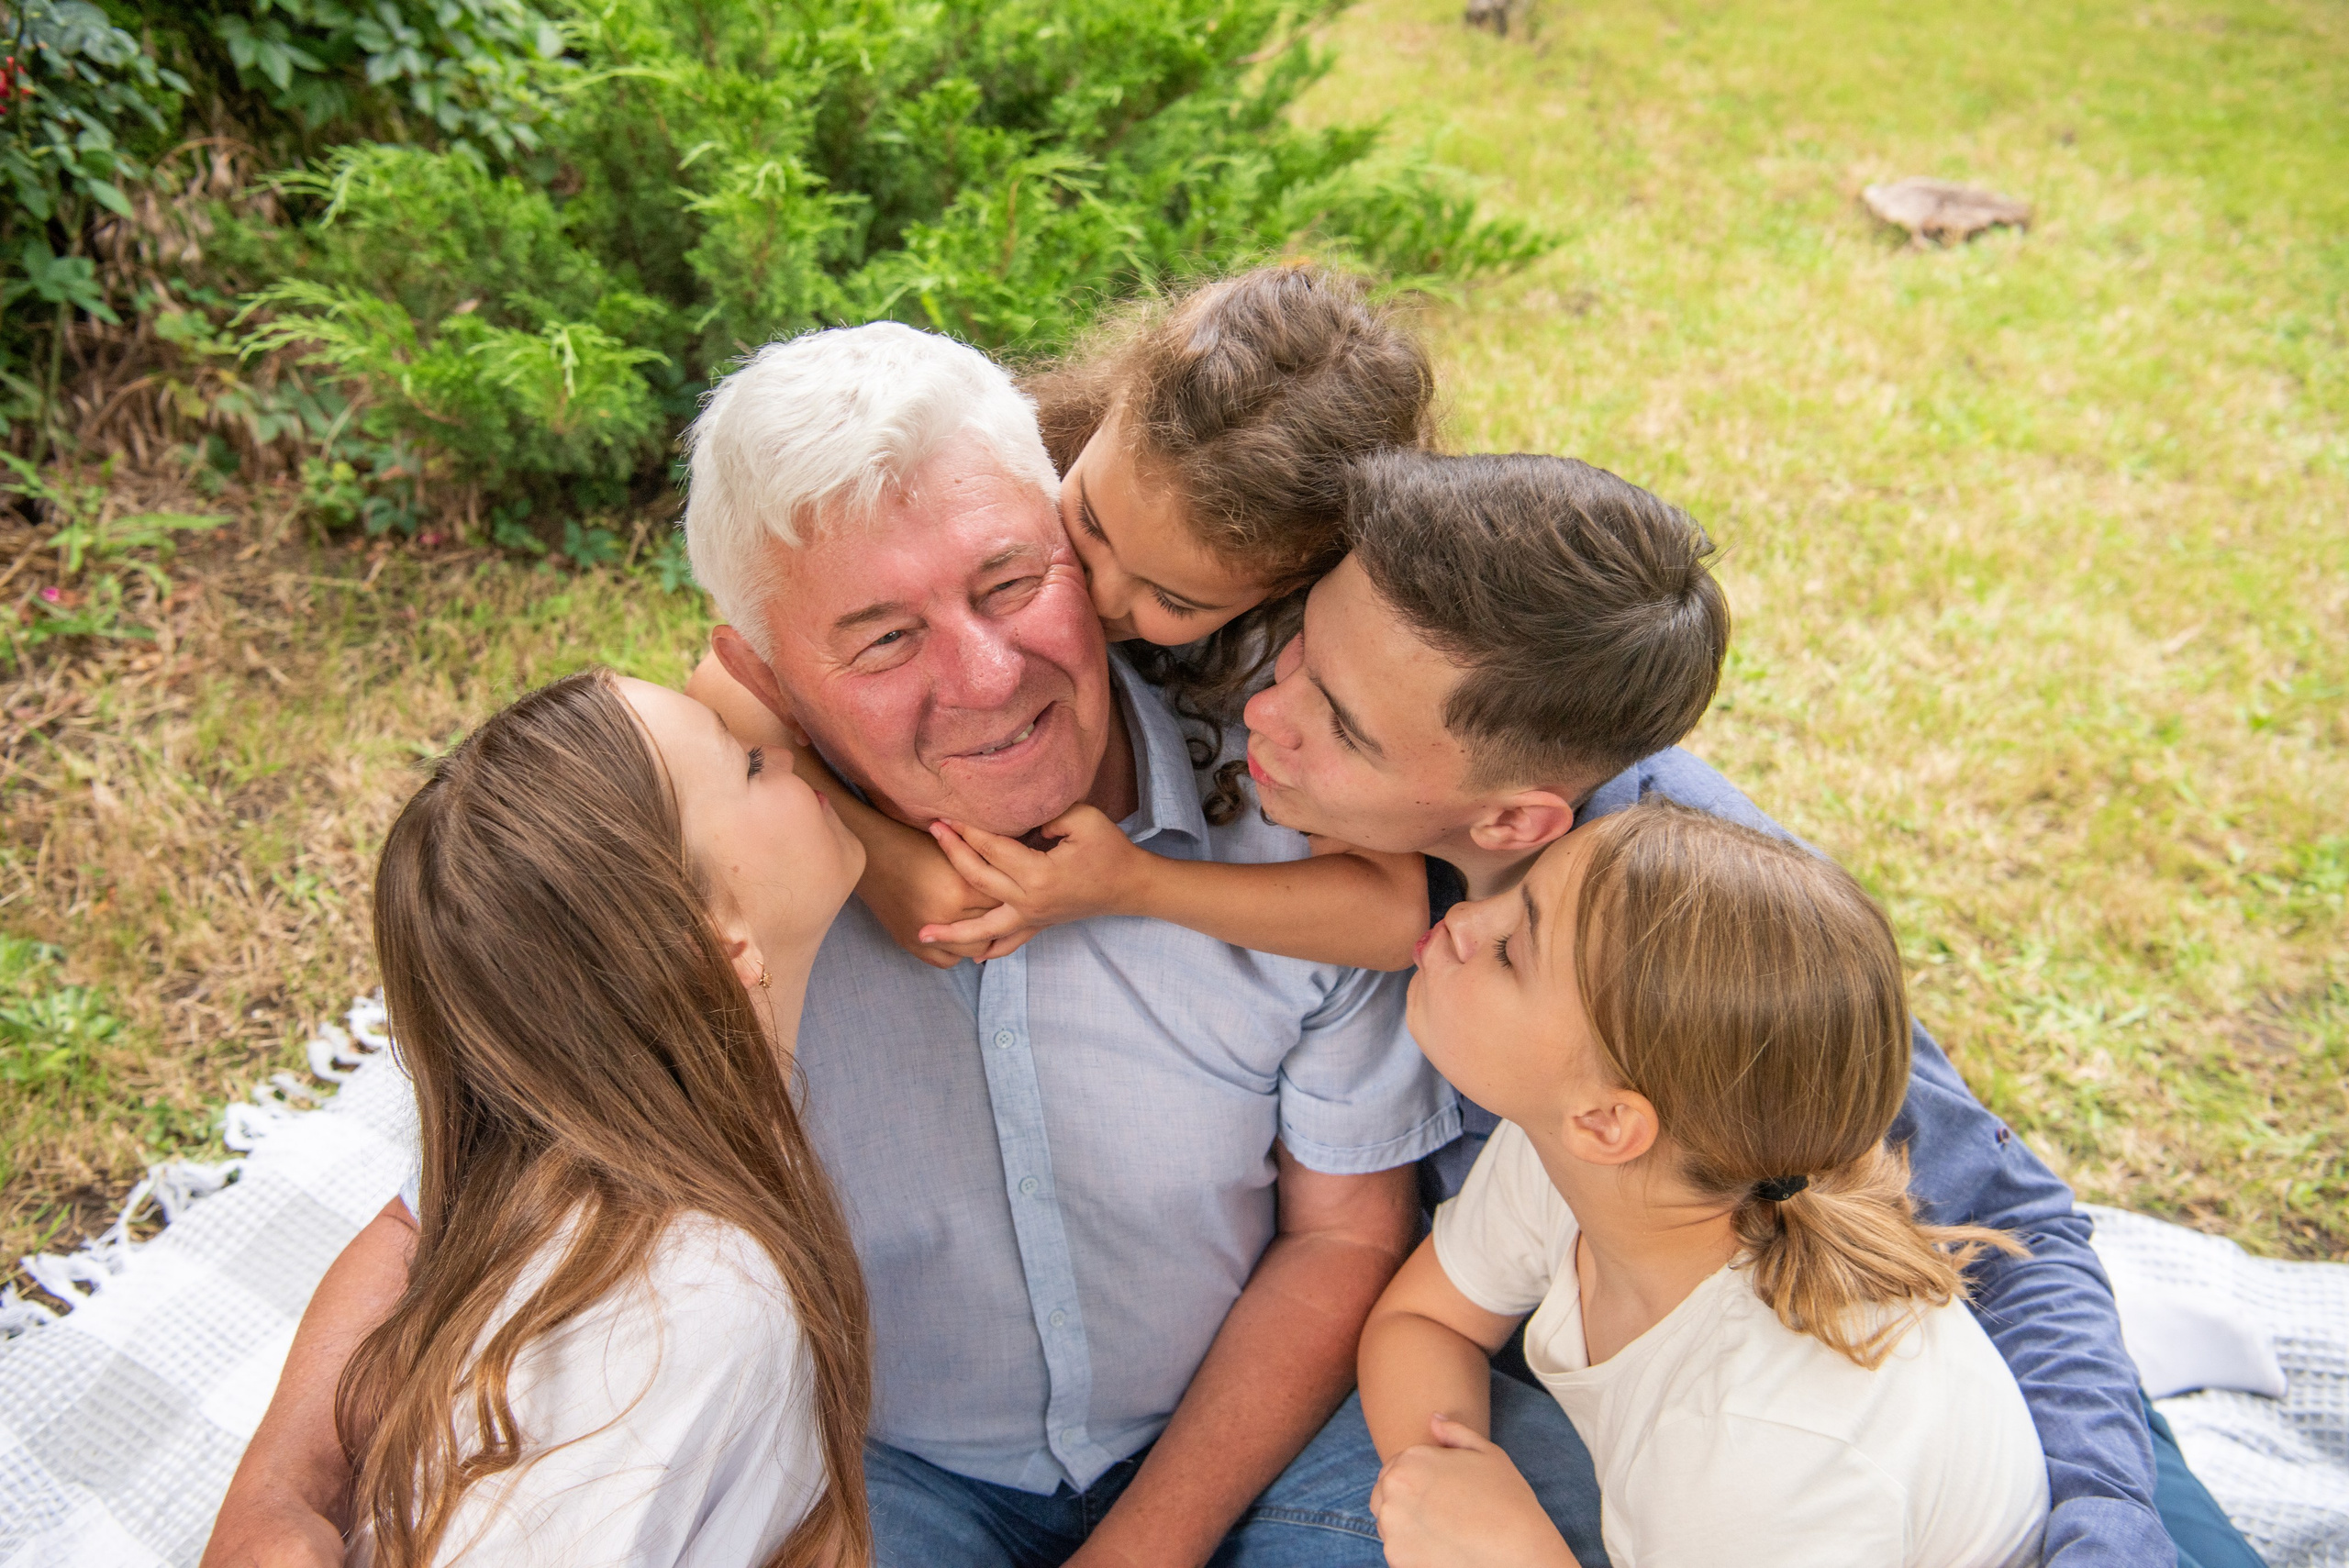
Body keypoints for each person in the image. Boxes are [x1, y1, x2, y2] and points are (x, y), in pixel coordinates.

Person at [206, 321, 1473, 1568]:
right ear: (763, 678)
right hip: (884, 1469)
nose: (987, 677)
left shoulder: (1296, 819)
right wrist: (276, 1493)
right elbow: (453, 1209)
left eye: (1011, 583)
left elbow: (1341, 1236)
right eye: (882, 640)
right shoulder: (722, 878)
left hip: (1249, 1443)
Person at [1234, 447, 2254, 1566]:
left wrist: (2105, 1523)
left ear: (1518, 823)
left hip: (1905, 1383)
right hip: (1625, 1341)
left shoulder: (1701, 934)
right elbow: (1439, 1317)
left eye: (1342, 726)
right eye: (1295, 645)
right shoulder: (1548, 1142)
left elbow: (2013, 1236)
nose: (1258, 706)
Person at [203, 671, 874, 1568]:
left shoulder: (600, 1144)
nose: (790, 752)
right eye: (751, 764)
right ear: (713, 939)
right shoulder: (689, 1303)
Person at [691, 262, 1438, 973]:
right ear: (1107, 416)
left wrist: (1135, 883)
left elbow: (1393, 912)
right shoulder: (1002, 464)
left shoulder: (1295, 658)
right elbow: (730, 689)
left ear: (1287, 588)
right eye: (1089, 525)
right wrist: (880, 859)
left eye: (1173, 600)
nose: (1098, 593)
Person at [1359, 802, 2049, 1568]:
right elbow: (1426, 1320)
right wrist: (1443, 1484)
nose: (1463, 918)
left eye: (1513, 950)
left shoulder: (1760, 1447)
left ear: (1609, 1122)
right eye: (1517, 893)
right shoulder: (1577, 1156)